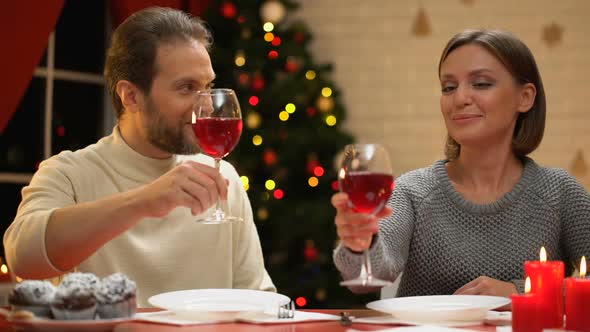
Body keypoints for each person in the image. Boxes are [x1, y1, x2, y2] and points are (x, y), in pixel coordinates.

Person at [4, 7, 275, 307]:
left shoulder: (224, 179)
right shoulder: (68, 173)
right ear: (131, 96)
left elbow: (258, 302)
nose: (207, 107)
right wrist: (145, 201)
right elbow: (23, 260)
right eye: (187, 88)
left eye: (207, 87)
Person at [332, 29, 590, 299]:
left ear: (524, 97)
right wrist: (359, 244)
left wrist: (520, 291)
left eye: (481, 83)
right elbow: (370, 275)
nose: (459, 98)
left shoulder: (560, 193)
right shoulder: (413, 191)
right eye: (449, 87)